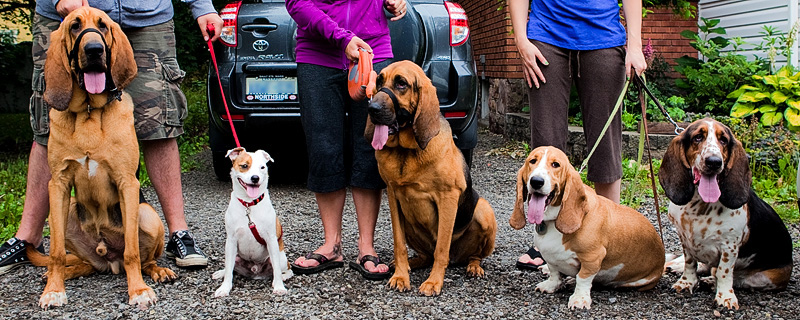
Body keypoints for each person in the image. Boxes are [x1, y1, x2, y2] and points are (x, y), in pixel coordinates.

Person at [0, 0, 223, 275]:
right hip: (65, 19)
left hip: (146, 17)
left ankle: (179, 233)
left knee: (161, 124)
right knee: (48, 129)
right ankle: (27, 238)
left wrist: (202, 6)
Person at [508, 0, 647, 269]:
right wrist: (521, 40)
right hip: (546, 38)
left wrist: (635, 45)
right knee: (545, 145)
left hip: (603, 38)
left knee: (605, 145)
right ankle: (545, 243)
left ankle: (608, 234)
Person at [285, 0, 406, 279]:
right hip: (318, 55)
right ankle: (332, 245)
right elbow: (297, 3)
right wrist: (343, 38)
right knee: (323, 147)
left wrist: (397, 5)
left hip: (372, 52)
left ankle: (367, 246)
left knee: (370, 146)